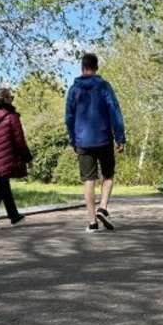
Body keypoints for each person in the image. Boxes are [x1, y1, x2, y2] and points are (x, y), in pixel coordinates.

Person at [65, 53, 126, 233]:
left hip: (83, 141)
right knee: (108, 176)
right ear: (96, 67)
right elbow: (115, 111)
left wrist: (73, 139)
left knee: (88, 180)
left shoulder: (74, 90)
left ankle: (92, 222)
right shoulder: (104, 87)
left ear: (82, 67)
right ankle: (103, 207)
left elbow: (69, 117)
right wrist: (120, 137)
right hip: (104, 138)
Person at [0, 88, 33, 229]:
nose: (12, 99)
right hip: (7, 157)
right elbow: (19, 140)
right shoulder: (11, 116)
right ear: (5, 99)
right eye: (11, 97)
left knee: (3, 185)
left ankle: (14, 216)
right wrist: (27, 156)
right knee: (2, 185)